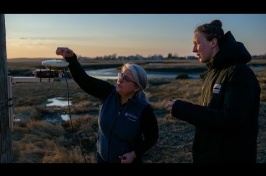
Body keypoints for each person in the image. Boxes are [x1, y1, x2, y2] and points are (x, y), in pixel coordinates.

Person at [165, 19, 261, 163]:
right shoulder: (212, 73)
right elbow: (210, 115)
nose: (193, 50)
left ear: (213, 42)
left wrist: (185, 110)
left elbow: (231, 119)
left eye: (197, 43)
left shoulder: (239, 73)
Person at [56, 47, 159, 163]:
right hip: (101, 159)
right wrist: (71, 59)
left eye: (126, 79)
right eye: (121, 75)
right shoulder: (108, 93)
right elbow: (84, 80)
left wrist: (134, 154)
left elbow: (152, 137)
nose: (119, 80)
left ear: (137, 87)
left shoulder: (144, 109)